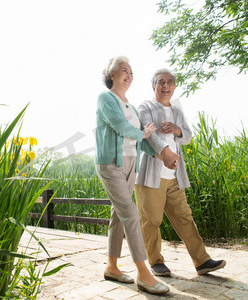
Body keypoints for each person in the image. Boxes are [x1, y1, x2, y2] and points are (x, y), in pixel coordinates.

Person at [135, 68, 226, 276]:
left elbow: (187, 137)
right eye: (160, 82)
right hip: (151, 174)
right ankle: (155, 261)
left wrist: (177, 130)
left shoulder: (177, 109)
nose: (165, 86)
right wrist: (165, 153)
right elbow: (149, 136)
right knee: (151, 220)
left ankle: (202, 261)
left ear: (174, 86)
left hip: (174, 175)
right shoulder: (145, 106)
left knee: (185, 217)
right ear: (153, 86)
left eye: (169, 82)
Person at [95, 56, 169, 295]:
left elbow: (140, 136)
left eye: (131, 72)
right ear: (112, 75)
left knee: (119, 214)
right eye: (124, 71)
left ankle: (112, 267)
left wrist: (159, 155)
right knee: (130, 212)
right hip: (111, 163)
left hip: (130, 163)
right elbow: (121, 126)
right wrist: (144, 135)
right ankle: (143, 273)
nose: (129, 75)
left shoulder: (131, 106)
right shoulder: (106, 98)